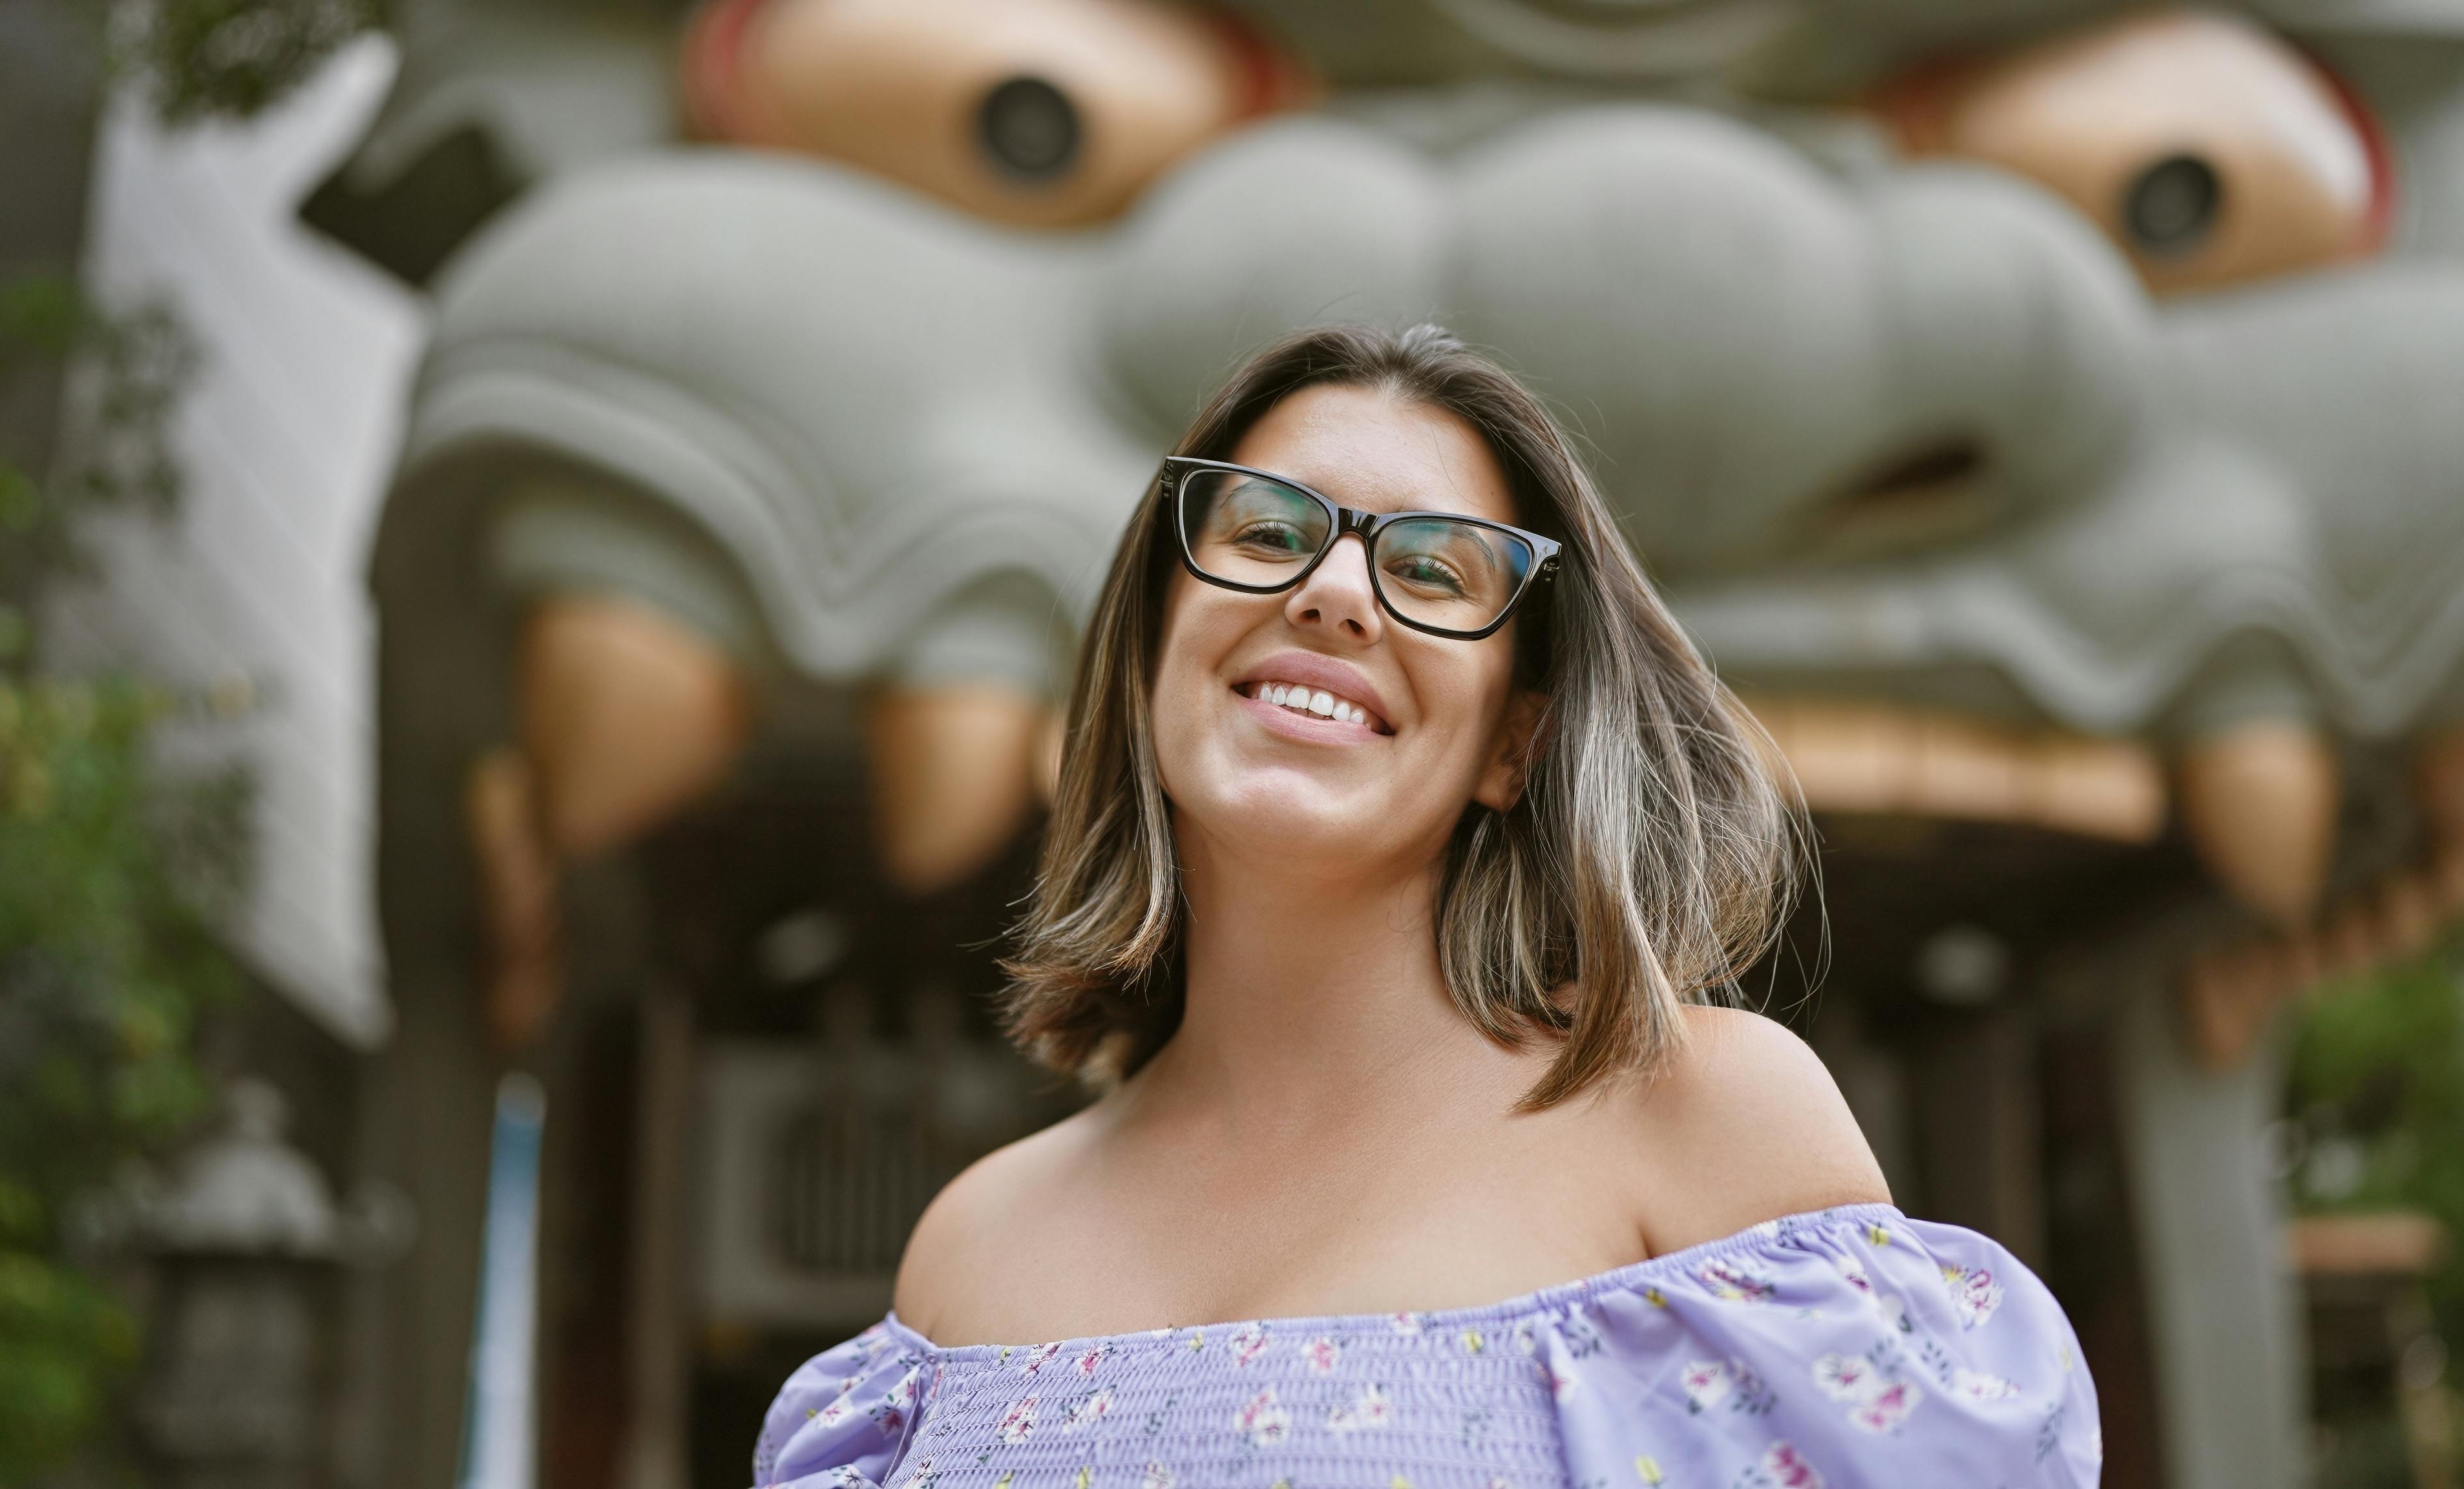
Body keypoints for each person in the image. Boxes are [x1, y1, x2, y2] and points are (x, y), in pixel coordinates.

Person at [754, 325, 2101, 1487]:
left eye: (1434, 571)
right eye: (1265, 533)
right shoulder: (966, 1255)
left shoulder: (1695, 1119)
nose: (1331, 592)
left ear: (1513, 743)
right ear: (1155, 651)